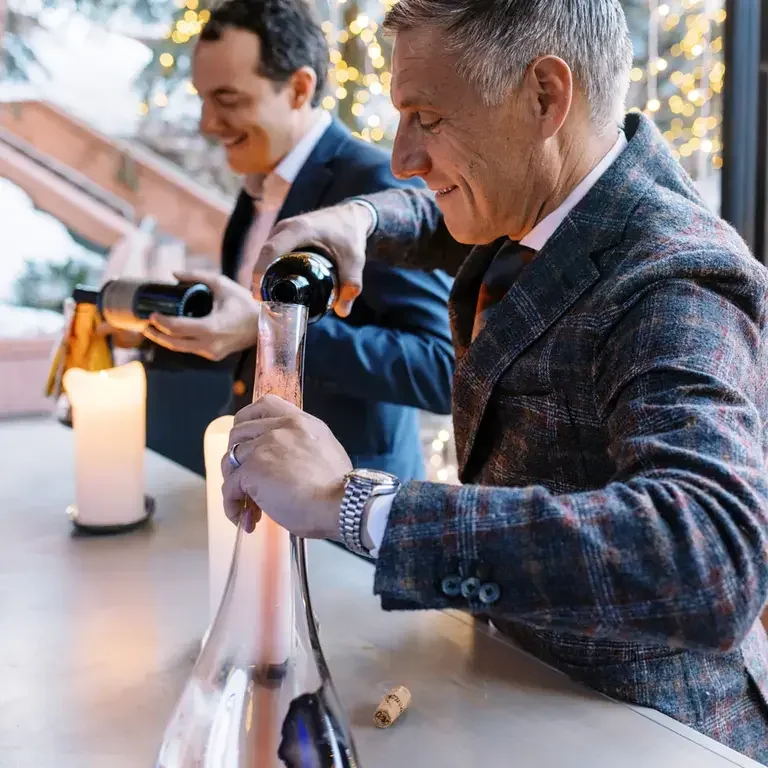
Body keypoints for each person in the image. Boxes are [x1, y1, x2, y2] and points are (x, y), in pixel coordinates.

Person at [220, 0, 768, 762]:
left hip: (645, 733)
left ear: (544, 96)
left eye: (427, 118)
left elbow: (712, 557)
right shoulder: (555, 195)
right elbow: (436, 215)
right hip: (508, 692)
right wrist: (362, 221)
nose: (402, 156)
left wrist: (352, 504)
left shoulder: (675, 279)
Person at [140, 0, 454, 479]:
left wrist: (270, 329)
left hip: (352, 490)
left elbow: (439, 368)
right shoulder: (255, 184)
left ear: (299, 88)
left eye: (227, 100)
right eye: (202, 99)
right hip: (266, 483)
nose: (207, 123)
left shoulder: (373, 189)